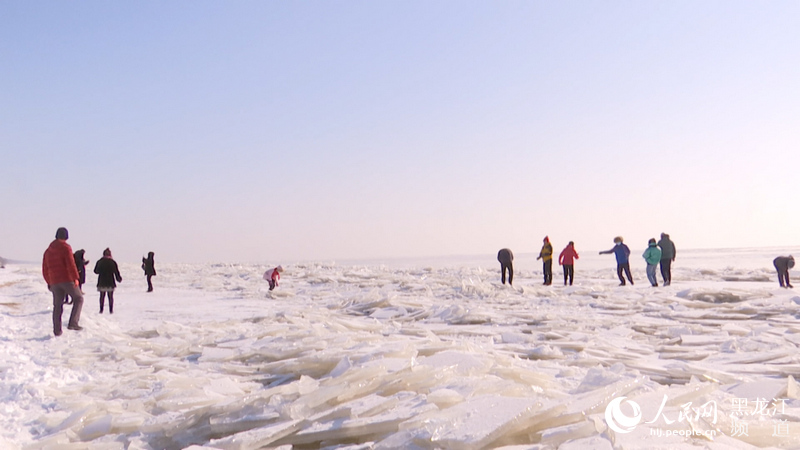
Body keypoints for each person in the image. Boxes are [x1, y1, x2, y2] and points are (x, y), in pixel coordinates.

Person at [42, 227, 84, 335]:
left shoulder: (47, 251)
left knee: (57, 306)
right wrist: (75, 278)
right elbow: (71, 263)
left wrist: (49, 281)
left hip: (54, 281)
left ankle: (57, 330)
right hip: (66, 279)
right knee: (78, 298)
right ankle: (73, 323)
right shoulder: (66, 247)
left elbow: (45, 268)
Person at [94, 248, 122, 314]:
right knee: (110, 297)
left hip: (102, 280)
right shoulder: (113, 262)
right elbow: (116, 272)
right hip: (110, 281)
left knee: (102, 296)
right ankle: (111, 310)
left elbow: (95, 271)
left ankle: (101, 310)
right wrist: (119, 279)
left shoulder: (100, 261)